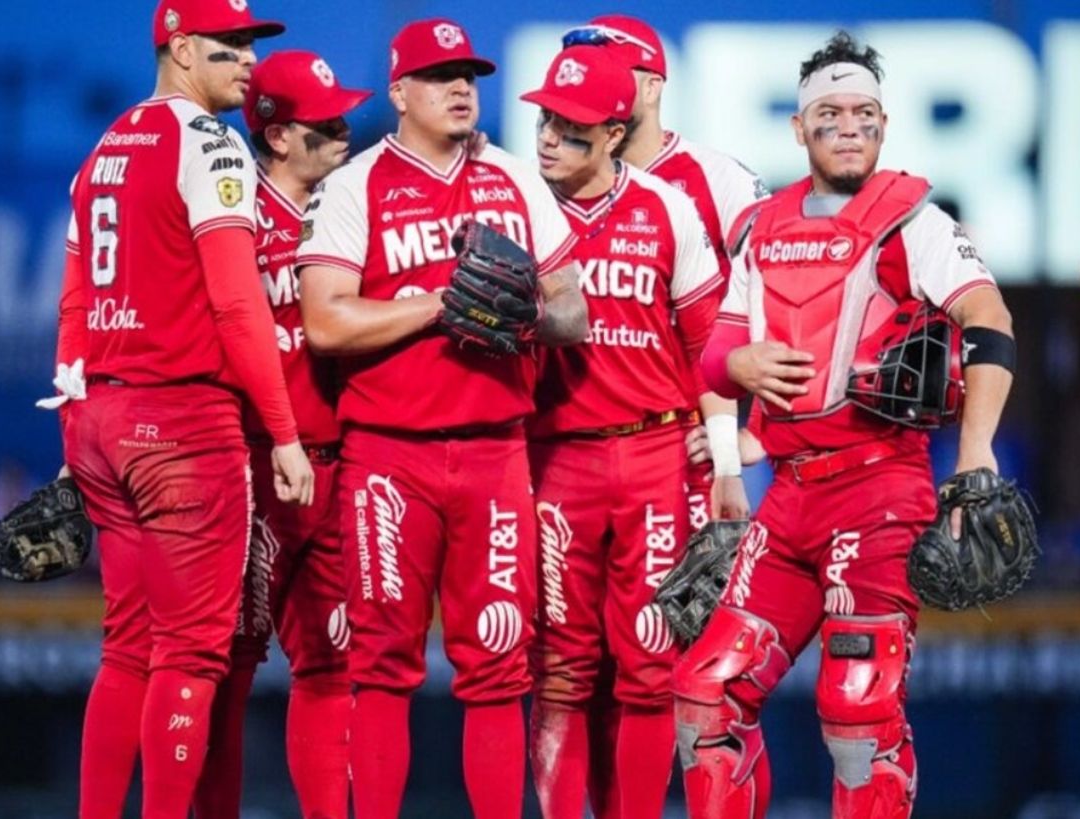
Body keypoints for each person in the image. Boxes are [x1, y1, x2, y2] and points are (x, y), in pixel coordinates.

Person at [673, 31, 1017, 819]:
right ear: (800, 127)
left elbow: (990, 320)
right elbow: (718, 354)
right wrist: (740, 376)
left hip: (880, 490)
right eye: (830, 113)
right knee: (705, 694)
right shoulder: (762, 227)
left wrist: (975, 451)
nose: (850, 126)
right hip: (790, 499)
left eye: (865, 113)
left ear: (885, 124)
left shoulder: (913, 223)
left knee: (859, 710)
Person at [295, 18, 588, 819]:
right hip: (390, 456)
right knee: (381, 666)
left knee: (497, 664)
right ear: (399, 92)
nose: (461, 87)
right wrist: (438, 303)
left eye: (468, 74)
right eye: (437, 75)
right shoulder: (355, 185)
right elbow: (325, 320)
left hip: (496, 450)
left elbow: (574, 310)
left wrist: (528, 312)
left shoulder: (515, 177)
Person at [43, 1, 314, 816]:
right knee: (192, 654)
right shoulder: (208, 142)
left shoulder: (104, 148)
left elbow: (73, 305)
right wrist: (285, 433)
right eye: (230, 44)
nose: (248, 59)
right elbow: (236, 302)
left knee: (126, 648)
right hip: (181, 422)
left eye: (251, 43)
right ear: (182, 47)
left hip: (102, 420)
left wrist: (72, 434)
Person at [517, 46, 736, 819]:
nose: (549, 138)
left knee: (649, 665)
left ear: (614, 133)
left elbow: (711, 346)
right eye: (544, 120)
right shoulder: (516, 205)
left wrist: (730, 462)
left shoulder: (666, 208)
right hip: (552, 458)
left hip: (653, 455)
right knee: (560, 671)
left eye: (571, 127)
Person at [190, 50, 369, 819]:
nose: (344, 131)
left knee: (332, 664)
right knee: (225, 666)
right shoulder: (230, 209)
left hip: (337, 466)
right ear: (277, 135)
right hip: (251, 467)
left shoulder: (351, 206)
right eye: (325, 122)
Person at [564, 13, 762, 531]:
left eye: (611, 70)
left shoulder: (718, 179)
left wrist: (751, 436)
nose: (594, 82)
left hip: (687, 443)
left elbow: (786, 296)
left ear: (652, 88)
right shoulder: (553, 184)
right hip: (572, 449)